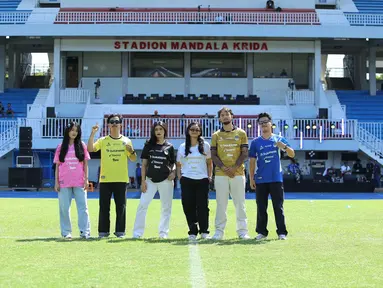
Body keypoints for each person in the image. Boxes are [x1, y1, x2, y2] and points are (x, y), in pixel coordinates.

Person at [87, 114, 137, 238]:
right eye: (111, 122)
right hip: (105, 179)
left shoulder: (126, 140)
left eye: (116, 121)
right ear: (108, 125)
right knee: (104, 207)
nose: (114, 123)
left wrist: (131, 151)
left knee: (121, 207)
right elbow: (90, 149)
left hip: (121, 179)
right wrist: (93, 133)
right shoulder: (103, 140)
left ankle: (120, 232)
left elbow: (133, 158)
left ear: (121, 124)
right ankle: (103, 232)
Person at [249, 112, 295, 241]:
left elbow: (292, 154)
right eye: (261, 122)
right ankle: (262, 232)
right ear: (259, 125)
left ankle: (282, 232)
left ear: (271, 123)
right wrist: (251, 178)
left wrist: (284, 147)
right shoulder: (255, 142)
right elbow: (252, 162)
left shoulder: (278, 139)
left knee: (278, 207)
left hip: (276, 178)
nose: (264, 124)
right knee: (261, 207)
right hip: (261, 179)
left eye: (266, 122)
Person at [210, 107, 250, 240]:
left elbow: (244, 154)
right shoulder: (216, 135)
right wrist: (224, 167)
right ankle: (219, 232)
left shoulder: (242, 133)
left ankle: (243, 232)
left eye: (227, 114)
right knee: (221, 204)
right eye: (222, 115)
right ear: (220, 118)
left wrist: (234, 168)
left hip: (238, 173)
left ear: (232, 116)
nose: (225, 116)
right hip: (221, 174)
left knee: (240, 203)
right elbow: (213, 155)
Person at [133, 121, 176, 239]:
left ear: (164, 131)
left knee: (166, 207)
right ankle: (137, 233)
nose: (158, 131)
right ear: (153, 131)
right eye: (156, 129)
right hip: (150, 180)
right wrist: (143, 181)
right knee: (142, 205)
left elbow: (173, 164)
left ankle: (163, 233)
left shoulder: (170, 147)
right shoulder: (148, 145)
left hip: (166, 181)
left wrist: (173, 172)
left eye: (161, 129)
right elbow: (144, 164)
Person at [54, 121, 91, 240]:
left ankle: (85, 232)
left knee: (83, 207)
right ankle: (66, 232)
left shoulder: (82, 145)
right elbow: (57, 166)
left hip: (79, 182)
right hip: (64, 182)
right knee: (64, 208)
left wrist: (86, 180)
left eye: (76, 130)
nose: (74, 132)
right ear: (67, 131)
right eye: (72, 130)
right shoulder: (60, 147)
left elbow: (85, 164)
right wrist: (56, 182)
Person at [176, 122, 213, 241]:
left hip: (202, 179)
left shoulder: (205, 145)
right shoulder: (182, 146)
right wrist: (179, 176)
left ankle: (204, 231)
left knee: (202, 206)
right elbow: (178, 164)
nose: (194, 131)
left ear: (200, 132)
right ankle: (192, 230)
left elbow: (209, 162)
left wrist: (209, 176)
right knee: (187, 205)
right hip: (187, 179)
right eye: (192, 129)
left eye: (197, 130)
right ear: (188, 131)